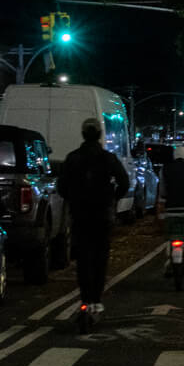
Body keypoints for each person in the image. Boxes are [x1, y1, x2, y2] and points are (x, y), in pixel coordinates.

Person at [57, 119, 129, 319]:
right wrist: (113, 198)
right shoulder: (107, 158)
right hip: (101, 215)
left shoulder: (73, 158)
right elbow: (124, 181)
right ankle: (95, 299)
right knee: (99, 258)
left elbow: (61, 187)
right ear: (99, 135)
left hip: (80, 214)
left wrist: (73, 197)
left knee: (82, 259)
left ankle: (85, 297)